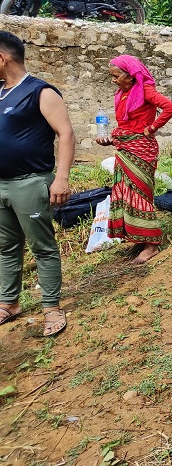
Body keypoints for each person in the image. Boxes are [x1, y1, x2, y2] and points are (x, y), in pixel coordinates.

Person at [0, 30, 75, 336]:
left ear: (2, 58)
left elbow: (66, 134)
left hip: (30, 182)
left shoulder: (40, 92)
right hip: (1, 185)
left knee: (42, 247)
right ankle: (9, 302)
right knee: (6, 247)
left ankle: (51, 307)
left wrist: (61, 178)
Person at [96, 55, 172, 265]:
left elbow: (170, 107)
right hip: (125, 148)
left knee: (139, 194)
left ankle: (151, 245)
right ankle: (139, 237)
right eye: (112, 76)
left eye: (116, 76)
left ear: (131, 76)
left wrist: (152, 128)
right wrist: (111, 139)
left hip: (141, 149)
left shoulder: (146, 91)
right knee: (125, 193)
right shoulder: (122, 94)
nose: (113, 80)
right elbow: (126, 125)